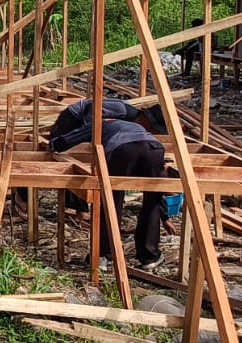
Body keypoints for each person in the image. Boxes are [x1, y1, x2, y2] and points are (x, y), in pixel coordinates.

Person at [48, 97, 170, 269]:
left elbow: (71, 138)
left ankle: (103, 255)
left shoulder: (104, 124)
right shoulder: (141, 129)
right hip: (154, 150)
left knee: (111, 200)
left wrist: (53, 144)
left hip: (122, 150)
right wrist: (165, 215)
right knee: (153, 199)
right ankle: (149, 256)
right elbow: (160, 189)